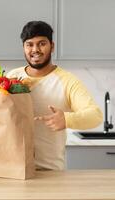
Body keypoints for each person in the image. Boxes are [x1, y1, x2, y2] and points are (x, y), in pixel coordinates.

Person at [7, 21, 103, 170]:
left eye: (41, 44)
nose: (35, 49)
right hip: (12, 169)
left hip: (50, 171)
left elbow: (95, 115)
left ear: (52, 46)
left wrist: (66, 119)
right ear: (23, 48)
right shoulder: (12, 77)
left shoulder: (67, 81)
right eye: (29, 44)